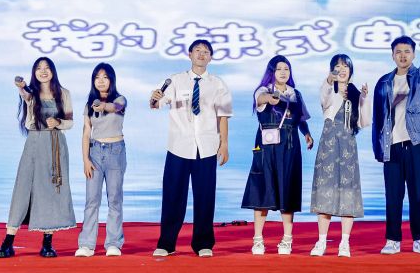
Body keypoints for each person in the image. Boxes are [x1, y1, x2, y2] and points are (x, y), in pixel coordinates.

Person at [150, 39, 233, 258]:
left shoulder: (218, 84)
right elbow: (157, 102)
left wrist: (224, 144)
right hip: (178, 145)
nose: (201, 54)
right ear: (189, 54)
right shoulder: (175, 80)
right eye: (198, 50)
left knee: (205, 196)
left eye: (206, 52)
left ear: (211, 57)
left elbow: (223, 116)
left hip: (206, 146)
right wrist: (155, 98)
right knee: (172, 196)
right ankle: (167, 243)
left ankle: (203, 243)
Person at [0, 56, 76, 258]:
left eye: (47, 67)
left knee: (51, 190)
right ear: (34, 72)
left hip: (55, 145)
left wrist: (58, 122)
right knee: (23, 188)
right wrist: (21, 86)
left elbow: (70, 121)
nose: (43, 71)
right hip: (34, 143)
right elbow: (24, 93)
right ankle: (8, 241)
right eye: (39, 68)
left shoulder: (64, 93)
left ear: (53, 71)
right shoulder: (31, 93)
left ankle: (47, 243)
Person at [372, 36, 420, 255]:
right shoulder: (383, 82)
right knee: (393, 195)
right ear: (392, 55)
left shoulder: (419, 77)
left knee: (418, 194)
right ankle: (392, 239)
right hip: (392, 146)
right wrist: (378, 149)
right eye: (398, 52)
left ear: (413, 54)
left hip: (417, 144)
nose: (402, 55)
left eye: (407, 51)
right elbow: (378, 118)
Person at [242, 55, 313, 255]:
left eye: (286, 69)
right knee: (262, 190)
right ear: (271, 72)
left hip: (289, 147)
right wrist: (270, 98)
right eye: (279, 69)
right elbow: (261, 99)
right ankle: (258, 239)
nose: (283, 72)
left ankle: (287, 239)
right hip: (266, 148)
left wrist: (307, 134)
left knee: (287, 189)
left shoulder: (295, 94)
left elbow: (301, 119)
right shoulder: (263, 90)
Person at [309, 54, 369, 257]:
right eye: (338, 66)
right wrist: (330, 79)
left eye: (345, 66)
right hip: (329, 144)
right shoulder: (329, 88)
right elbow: (324, 98)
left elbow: (363, 122)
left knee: (348, 193)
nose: (342, 69)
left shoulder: (355, 93)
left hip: (348, 146)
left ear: (351, 70)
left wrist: (364, 99)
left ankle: (344, 242)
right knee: (325, 191)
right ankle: (321, 242)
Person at [75, 63, 127, 257]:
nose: (101, 81)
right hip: (95, 152)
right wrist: (85, 160)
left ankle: (113, 243)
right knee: (92, 200)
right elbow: (86, 133)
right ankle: (87, 244)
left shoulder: (120, 99)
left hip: (116, 152)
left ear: (111, 80)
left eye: (105, 77)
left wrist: (103, 106)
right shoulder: (89, 105)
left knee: (114, 199)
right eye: (97, 77)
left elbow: (116, 107)